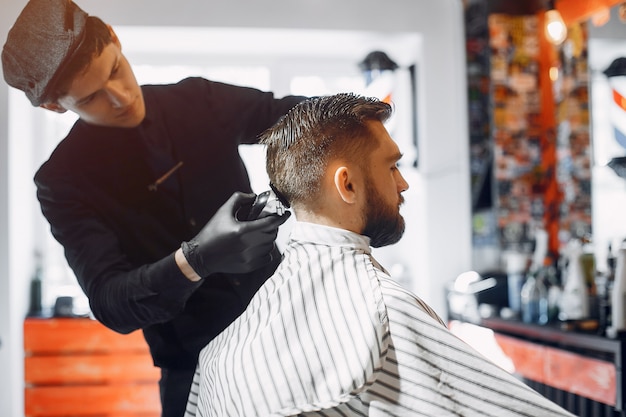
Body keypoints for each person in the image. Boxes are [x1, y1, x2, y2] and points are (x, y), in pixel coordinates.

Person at [184, 93, 575, 417]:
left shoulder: (218, 356)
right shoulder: (383, 310)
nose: (403, 183)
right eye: (392, 166)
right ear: (347, 184)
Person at [2, 1, 305, 415]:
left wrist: (353, 115)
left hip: (292, 334)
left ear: (114, 36)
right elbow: (111, 302)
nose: (122, 97)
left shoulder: (198, 101)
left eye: (115, 69)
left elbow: (287, 117)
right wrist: (194, 260)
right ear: (56, 106)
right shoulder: (64, 181)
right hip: (197, 373)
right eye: (92, 97)